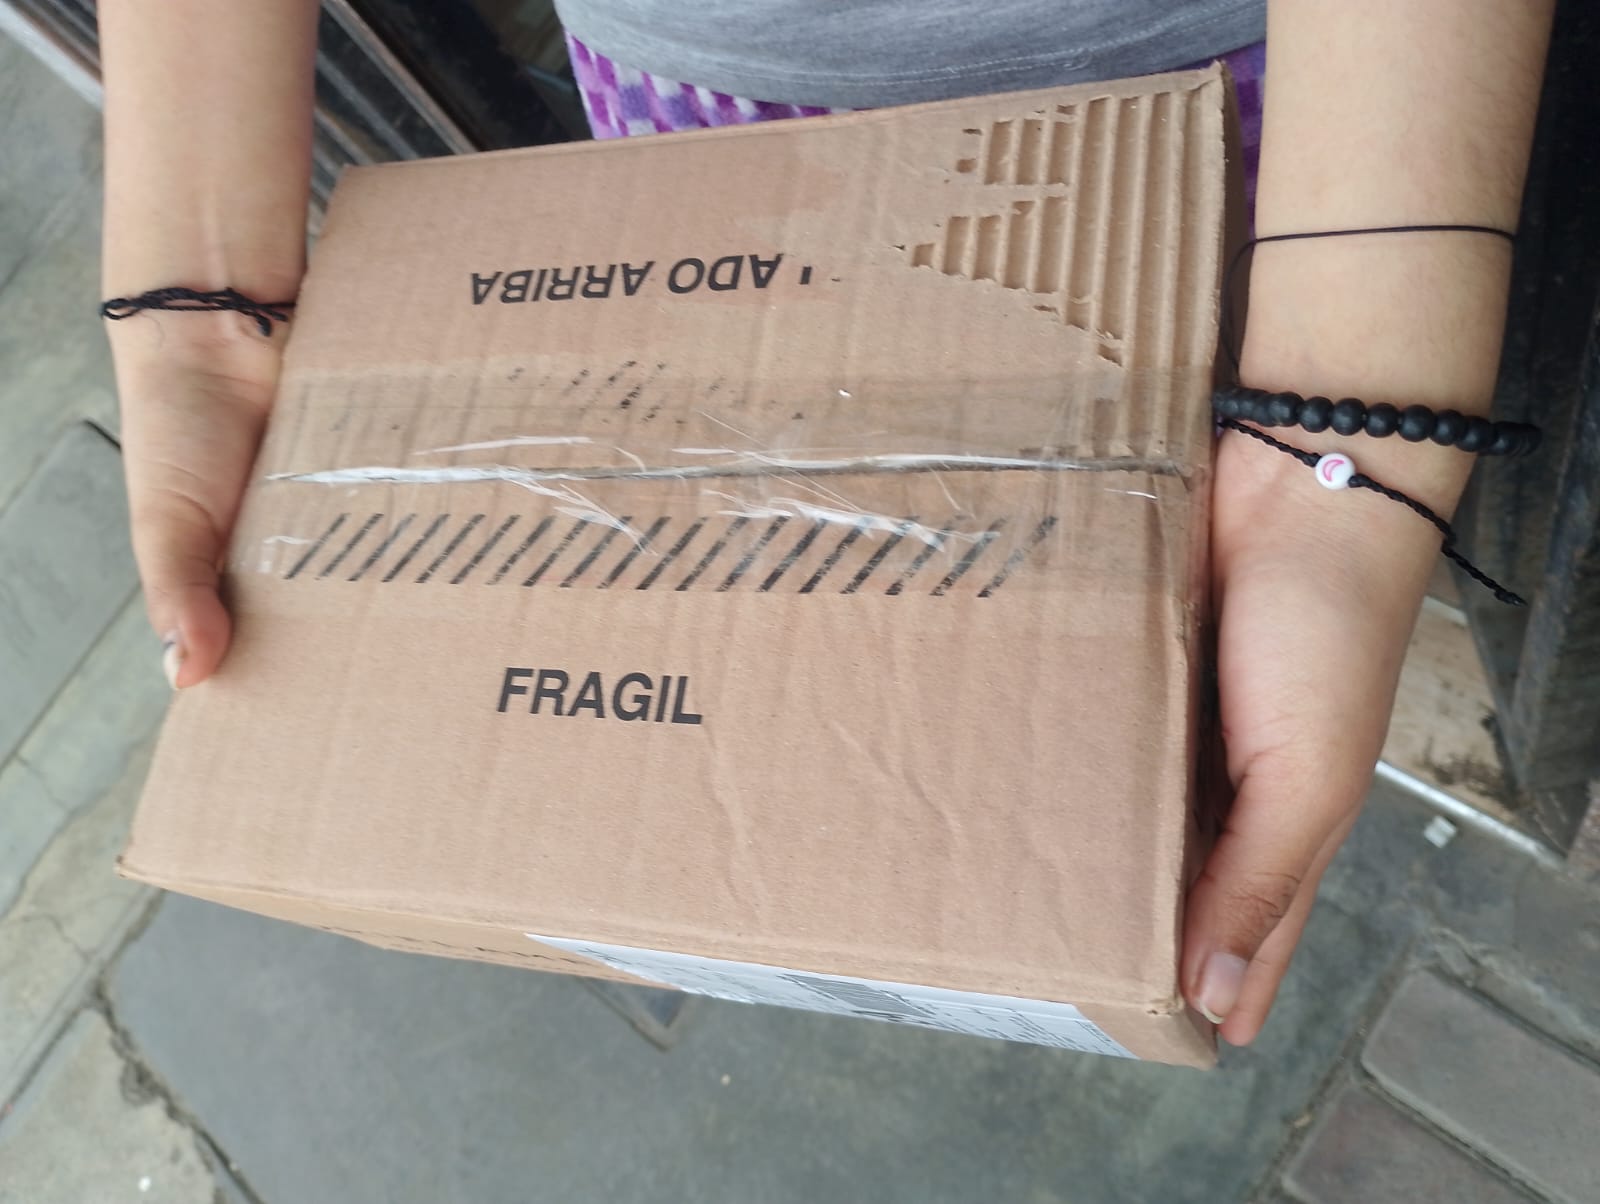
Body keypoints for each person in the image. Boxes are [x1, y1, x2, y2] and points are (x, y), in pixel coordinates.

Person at [99, 0, 1555, 1048]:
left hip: (1277, 112)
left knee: (1213, 610)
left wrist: (1342, 452)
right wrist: (193, 298)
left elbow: (1328, 441)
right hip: (702, 108)